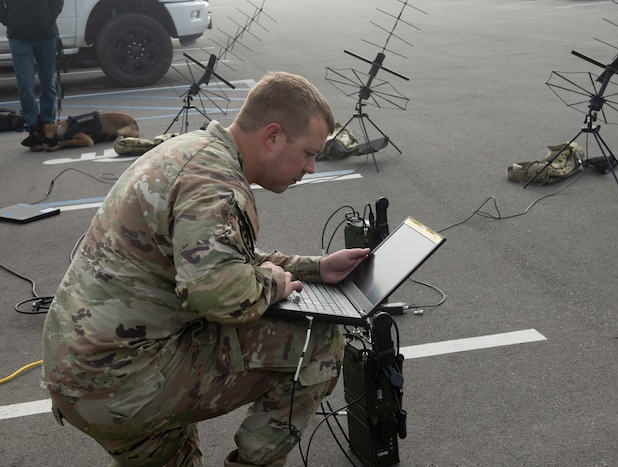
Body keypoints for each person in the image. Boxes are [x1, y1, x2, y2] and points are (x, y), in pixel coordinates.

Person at [42, 71, 370, 467]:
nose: (312, 168)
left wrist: (314, 268)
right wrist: (274, 283)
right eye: (309, 153)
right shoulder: (214, 183)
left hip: (82, 373)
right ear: (273, 136)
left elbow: (217, 255)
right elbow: (222, 296)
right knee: (316, 339)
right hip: (124, 383)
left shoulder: (194, 151)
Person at [0, 0, 63, 148]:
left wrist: (48, 18)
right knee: (25, 85)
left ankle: (48, 126)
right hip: (19, 37)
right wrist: (9, 20)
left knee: (47, 82)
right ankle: (34, 128)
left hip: (46, 35)